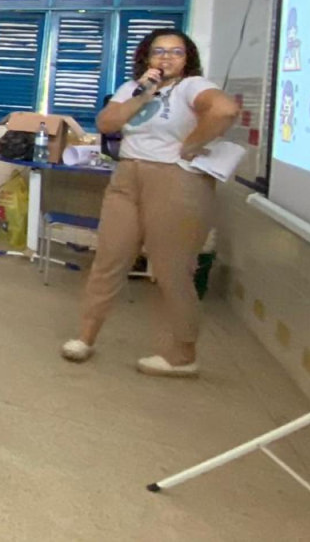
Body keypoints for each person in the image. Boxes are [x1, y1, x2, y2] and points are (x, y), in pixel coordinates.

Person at [63, 31, 239, 377]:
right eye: (159, 51)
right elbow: (107, 122)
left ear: (187, 59)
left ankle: (182, 356)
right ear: (146, 57)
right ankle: (85, 338)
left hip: (176, 179)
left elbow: (225, 109)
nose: (166, 58)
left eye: (176, 52)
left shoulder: (192, 86)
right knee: (109, 259)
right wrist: (145, 92)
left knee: (173, 269)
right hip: (128, 175)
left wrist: (192, 144)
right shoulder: (134, 88)